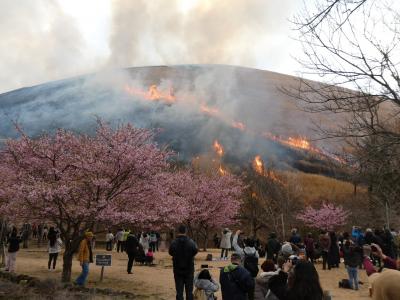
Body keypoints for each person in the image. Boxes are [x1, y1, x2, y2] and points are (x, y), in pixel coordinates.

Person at [169, 225, 198, 300]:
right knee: (189, 291)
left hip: (177, 269)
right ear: (186, 231)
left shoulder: (174, 242)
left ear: (178, 231)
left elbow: (170, 252)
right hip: (189, 269)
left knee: (179, 291)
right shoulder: (191, 242)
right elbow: (195, 250)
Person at [232, 230, 259, 300]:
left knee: (242, 292)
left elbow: (234, 244)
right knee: (251, 293)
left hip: (243, 274)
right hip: (253, 274)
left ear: (246, 244)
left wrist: (236, 234)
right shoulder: (256, 253)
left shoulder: (242, 252)